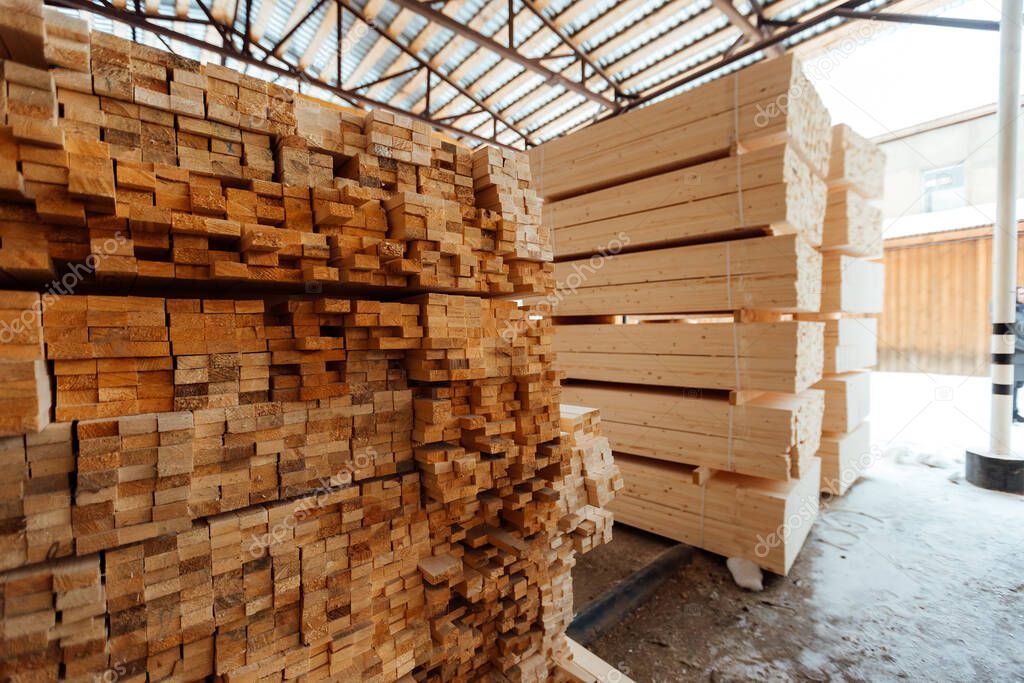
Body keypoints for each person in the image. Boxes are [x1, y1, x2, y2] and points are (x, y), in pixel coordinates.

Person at [1014, 287, 1024, 423]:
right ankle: (1011, 413)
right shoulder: (1012, 312)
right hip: (1015, 356)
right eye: (1022, 293)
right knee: (1013, 385)